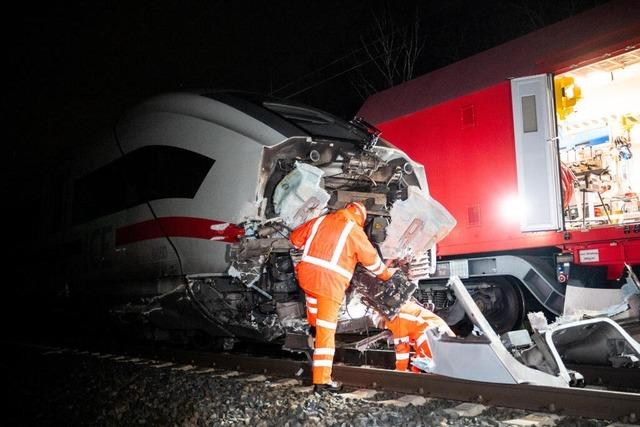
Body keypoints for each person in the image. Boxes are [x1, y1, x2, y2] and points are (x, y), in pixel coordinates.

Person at [290, 201, 392, 393]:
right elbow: (372, 261)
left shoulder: (321, 220)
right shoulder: (354, 230)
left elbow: (295, 239)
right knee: (326, 334)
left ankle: (312, 328)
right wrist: (387, 276)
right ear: (361, 218)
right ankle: (322, 382)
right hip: (329, 286)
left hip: (307, 278)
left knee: (313, 305)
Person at [378, 298, 454, 372]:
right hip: (441, 334)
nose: (385, 327)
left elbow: (402, 349)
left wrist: (400, 371)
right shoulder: (403, 307)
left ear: (383, 317)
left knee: (432, 368)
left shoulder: (396, 320)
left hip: (436, 337)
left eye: (383, 325)